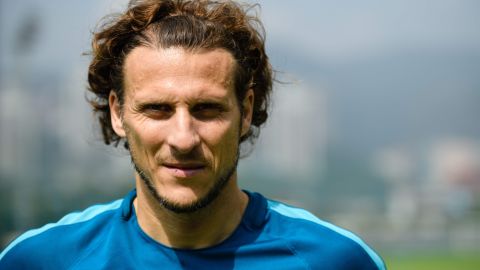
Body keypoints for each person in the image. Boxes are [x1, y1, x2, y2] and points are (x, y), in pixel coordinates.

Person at [0, 0, 385, 269]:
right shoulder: (38, 260)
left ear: (246, 111)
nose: (183, 138)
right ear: (118, 113)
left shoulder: (336, 260)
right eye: (157, 109)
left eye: (207, 109)